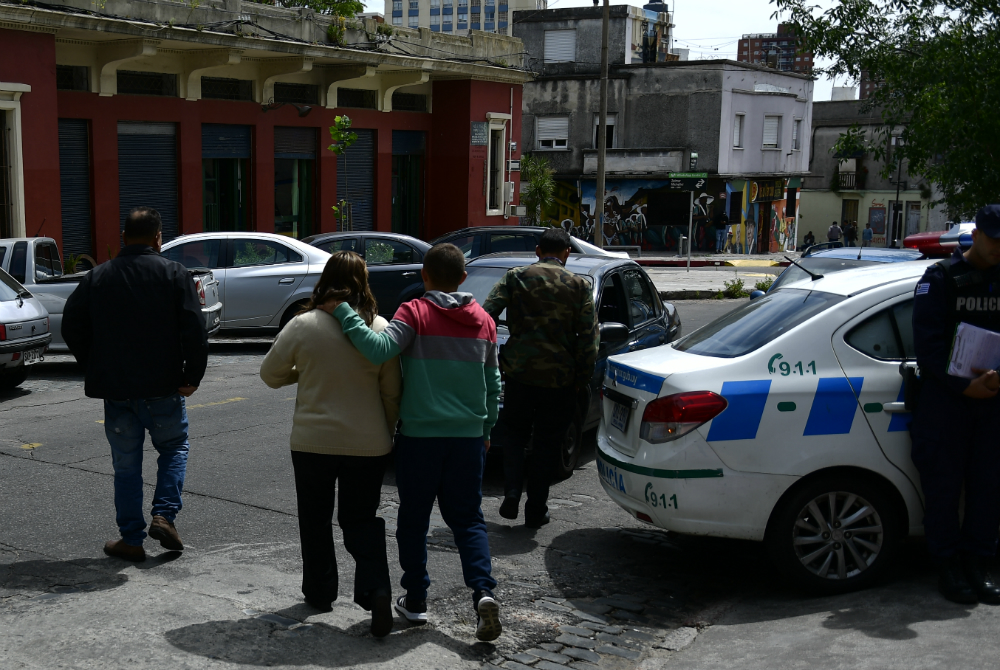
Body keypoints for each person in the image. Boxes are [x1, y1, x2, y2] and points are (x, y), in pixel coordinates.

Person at [321, 243, 503, 642]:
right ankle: (483, 593)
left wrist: (345, 313)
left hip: (421, 439)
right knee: (469, 520)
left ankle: (416, 601)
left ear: (424, 275)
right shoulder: (485, 322)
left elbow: (377, 349)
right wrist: (486, 430)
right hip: (469, 440)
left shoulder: (415, 312)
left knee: (414, 520)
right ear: (463, 278)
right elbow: (494, 386)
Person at [259, 251, 401, 637]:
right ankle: (377, 590)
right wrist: (386, 433)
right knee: (361, 520)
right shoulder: (380, 328)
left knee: (315, 519)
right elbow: (392, 393)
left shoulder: (303, 324)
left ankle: (320, 593)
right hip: (368, 444)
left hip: (312, 443)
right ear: (363, 283)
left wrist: (303, 373)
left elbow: (270, 374)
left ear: (326, 280)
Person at [62, 207, 207, 563]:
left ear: (123, 238)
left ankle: (131, 539)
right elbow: (194, 328)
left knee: (126, 466)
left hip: (117, 389)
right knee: (173, 448)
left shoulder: (98, 277)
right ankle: (164, 516)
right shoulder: (174, 273)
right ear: (158, 238)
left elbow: (71, 326)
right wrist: (193, 376)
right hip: (164, 385)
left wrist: (95, 364)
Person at [911, 204, 1000, 605]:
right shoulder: (942, 278)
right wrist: (966, 388)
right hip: (947, 402)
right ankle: (947, 564)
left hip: (993, 400)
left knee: (988, 488)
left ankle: (979, 562)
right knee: (944, 489)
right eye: (995, 240)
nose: (999, 249)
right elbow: (927, 348)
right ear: (977, 235)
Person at [483, 228, 598, 529]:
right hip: (560, 379)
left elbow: (485, 316)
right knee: (547, 445)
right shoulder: (579, 285)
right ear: (566, 254)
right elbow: (588, 339)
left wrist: (496, 357)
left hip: (520, 374)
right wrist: (582, 377)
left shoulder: (515, 277)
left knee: (514, 436)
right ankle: (536, 509)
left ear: (537, 251)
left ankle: (511, 492)